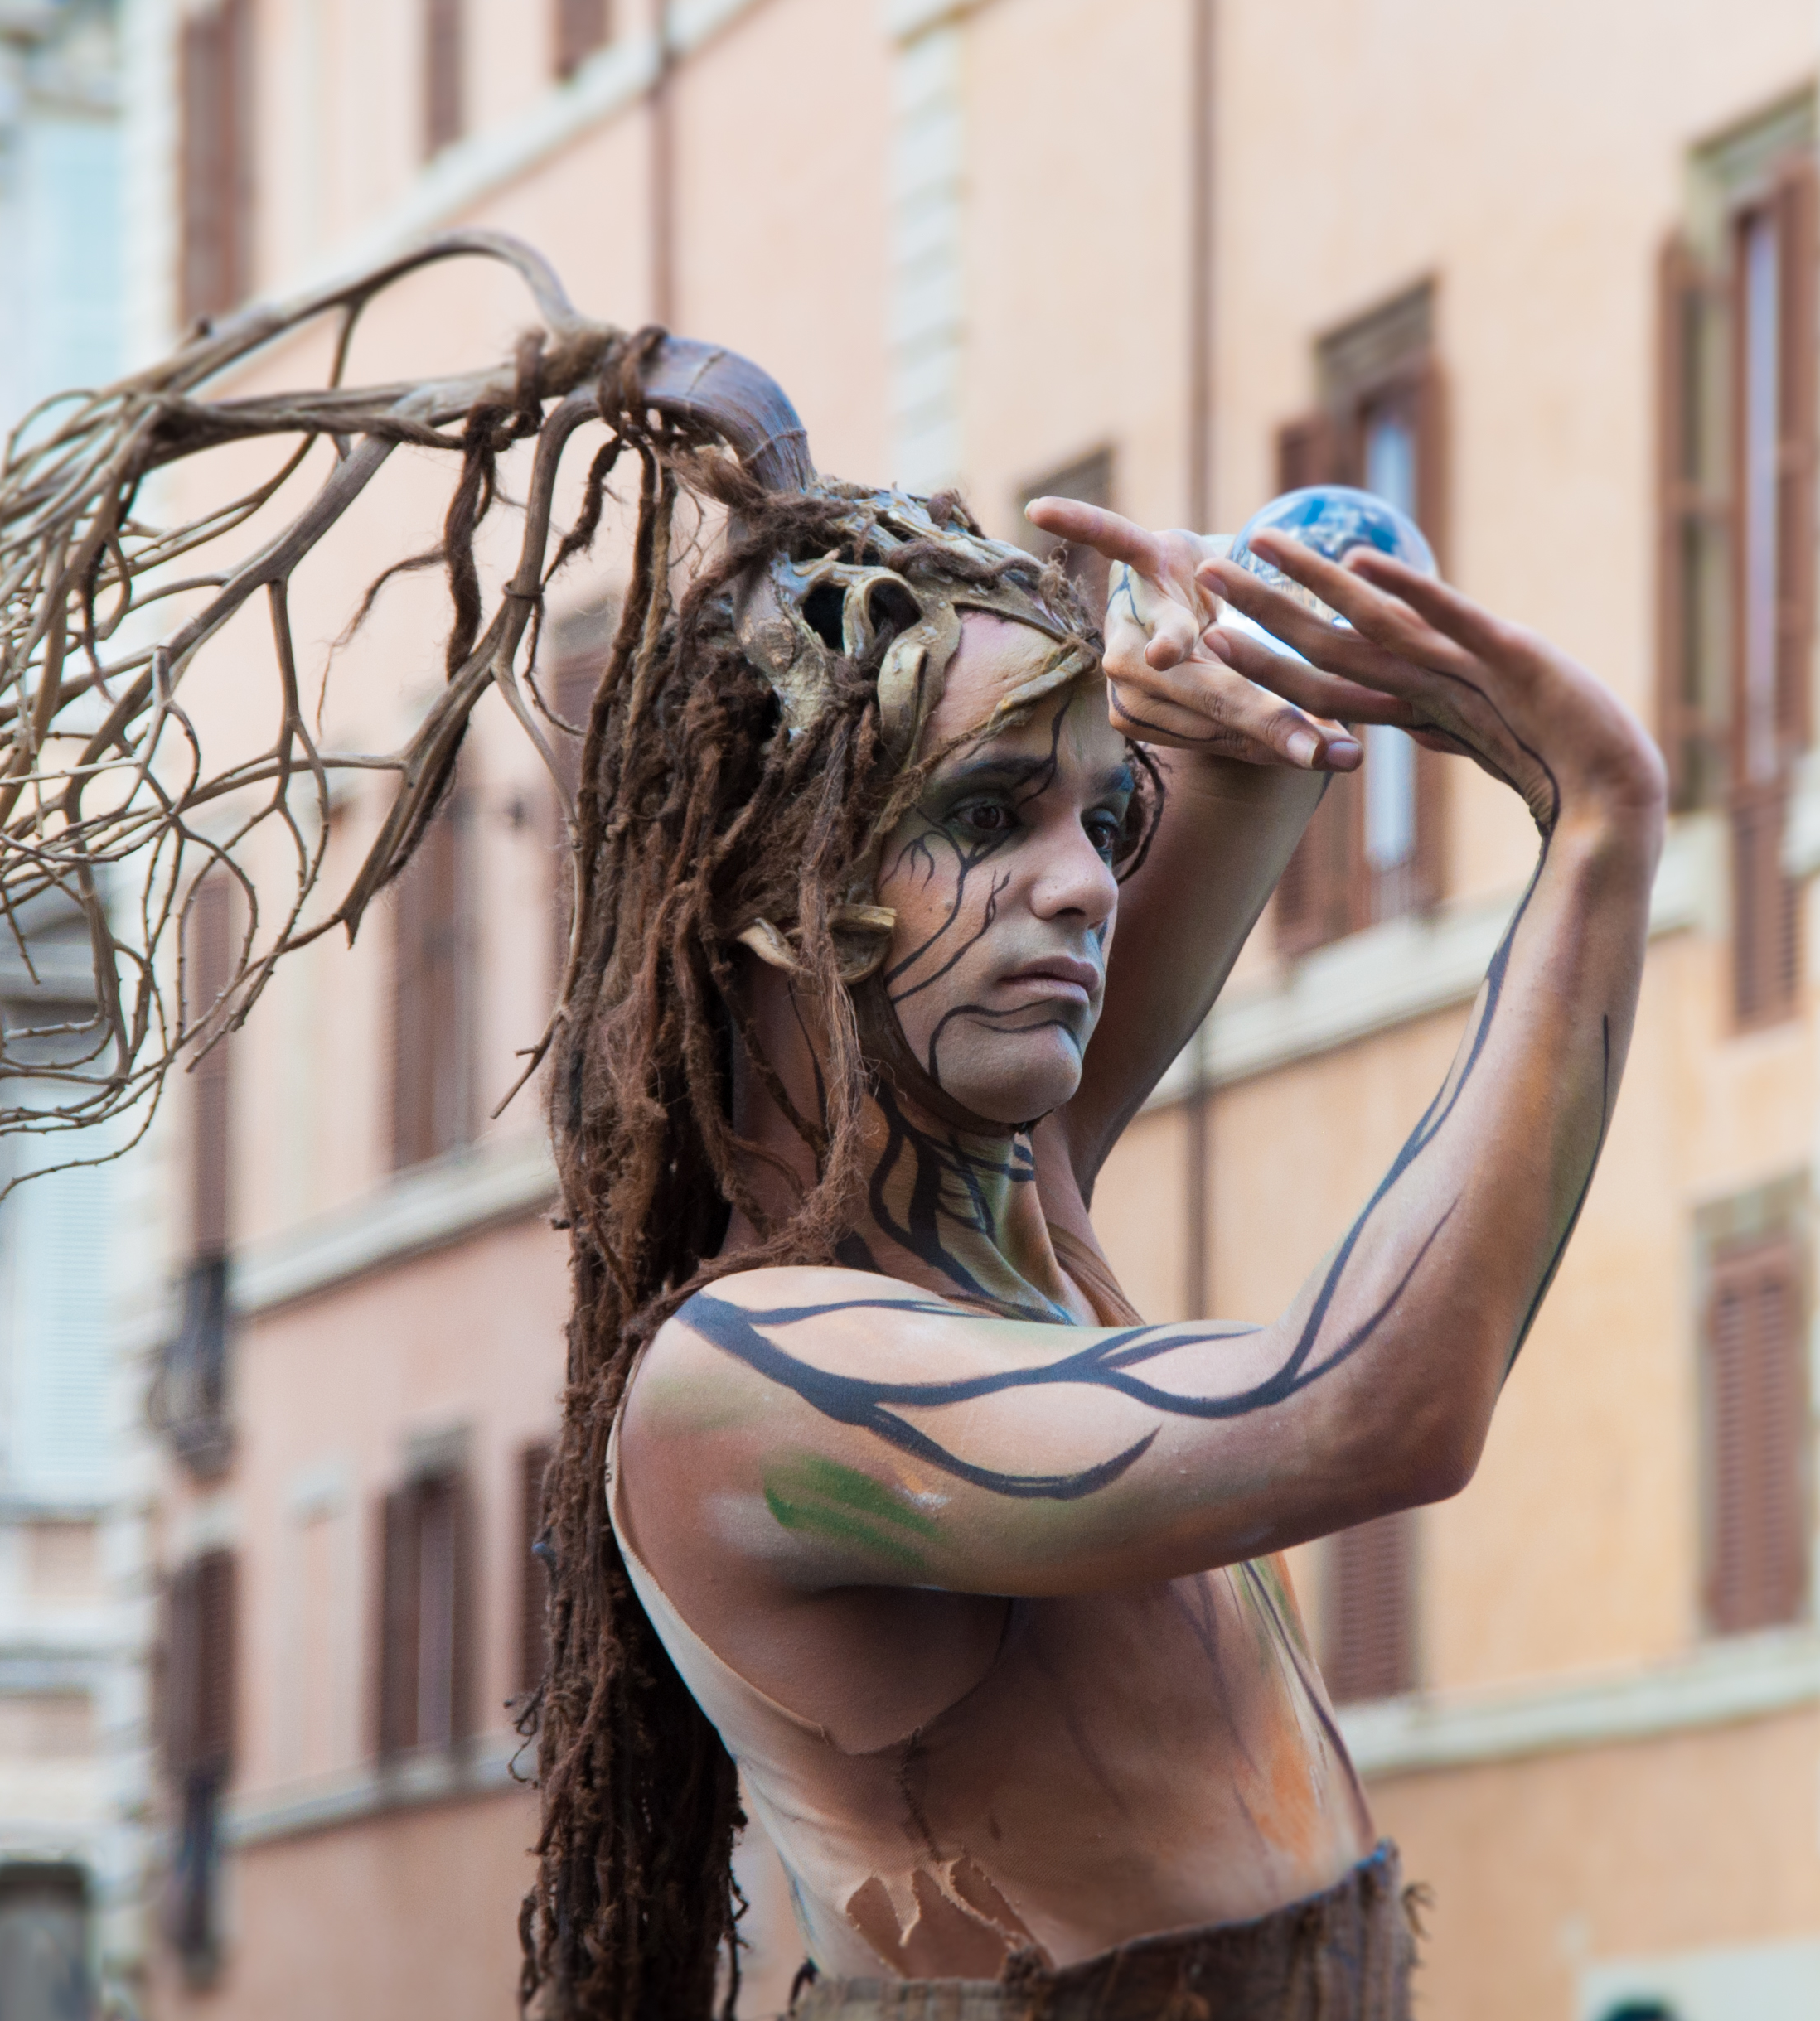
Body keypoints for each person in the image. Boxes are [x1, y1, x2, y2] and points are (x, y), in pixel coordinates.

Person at [521, 437, 1663, 2018]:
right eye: (992, 816)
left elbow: (1280, 714)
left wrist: (1231, 664)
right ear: (774, 888)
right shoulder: (744, 1384)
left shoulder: (1008, 1194)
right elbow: (1368, 1410)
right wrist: (1599, 833)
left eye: (1105, 822)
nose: (1088, 887)